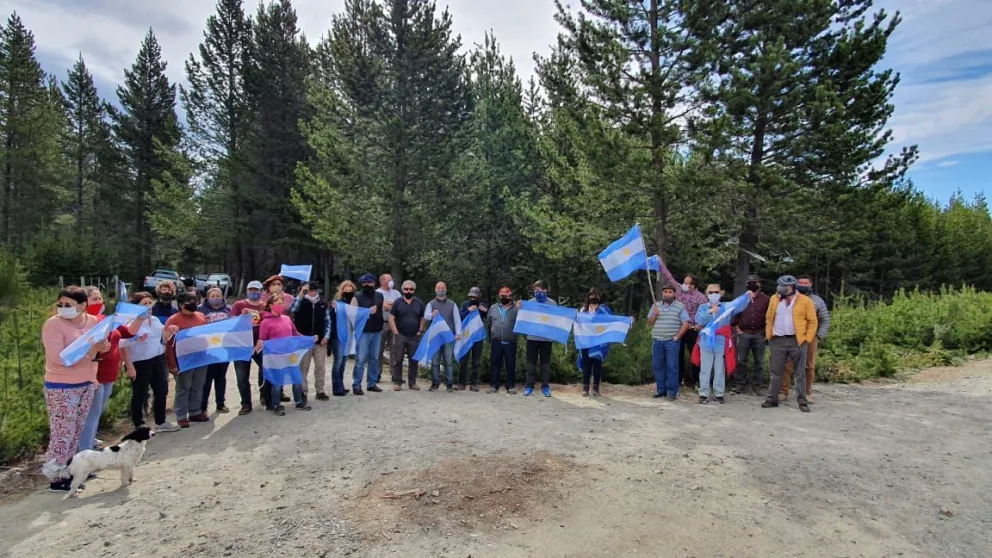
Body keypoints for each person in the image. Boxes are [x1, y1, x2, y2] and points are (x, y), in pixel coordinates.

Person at [40, 286, 110, 492]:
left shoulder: (92, 321)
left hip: (85, 383)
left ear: (82, 305)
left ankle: (71, 469)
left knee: (77, 429)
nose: (62, 308)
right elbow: (59, 357)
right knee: (63, 431)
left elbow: (96, 351)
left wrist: (98, 357)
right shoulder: (53, 325)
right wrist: (92, 348)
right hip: (61, 385)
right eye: (60, 304)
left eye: (68, 305)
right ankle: (55, 476)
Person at [78, 287, 140, 452]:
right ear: (84, 303)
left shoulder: (106, 319)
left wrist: (140, 317)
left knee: (97, 412)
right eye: (94, 299)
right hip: (95, 374)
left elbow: (128, 332)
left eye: (100, 299)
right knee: (91, 414)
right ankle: (84, 450)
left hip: (110, 373)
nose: (99, 302)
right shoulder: (85, 323)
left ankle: (90, 441)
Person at [120, 292, 179, 432]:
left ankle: (160, 422)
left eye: (149, 303)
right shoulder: (129, 323)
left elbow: (162, 338)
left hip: (157, 359)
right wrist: (129, 366)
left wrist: (170, 331)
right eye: (144, 304)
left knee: (161, 390)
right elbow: (123, 346)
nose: (148, 307)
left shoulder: (155, 320)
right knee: (140, 393)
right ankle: (139, 424)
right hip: (140, 362)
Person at [762, 275, 818, 413]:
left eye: (783, 286)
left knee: (800, 372)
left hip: (797, 340)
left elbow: (812, 321)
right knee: (776, 371)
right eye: (779, 285)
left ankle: (802, 401)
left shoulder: (805, 301)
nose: (779, 288)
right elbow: (769, 318)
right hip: (778, 339)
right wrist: (769, 335)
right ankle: (772, 398)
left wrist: (807, 338)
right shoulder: (774, 299)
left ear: (791, 287)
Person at [255, 296, 314, 415]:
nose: (281, 306)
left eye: (282, 303)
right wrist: (259, 345)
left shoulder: (287, 318)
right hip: (276, 357)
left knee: (296, 379)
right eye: (278, 303)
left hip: (290, 355)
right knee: (277, 382)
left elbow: (295, 333)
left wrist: (308, 339)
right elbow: (263, 339)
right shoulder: (265, 322)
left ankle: (299, 402)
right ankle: (276, 404)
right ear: (271, 305)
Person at [695, 284, 749, 404]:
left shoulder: (726, 306)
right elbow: (699, 320)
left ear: (721, 293)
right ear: (706, 294)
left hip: (721, 341)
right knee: (705, 369)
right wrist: (710, 311)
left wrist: (748, 295)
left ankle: (719, 393)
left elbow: (740, 305)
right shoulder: (703, 307)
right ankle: (704, 393)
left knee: (719, 369)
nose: (713, 294)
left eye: (716, 292)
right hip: (706, 341)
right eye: (710, 292)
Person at [163, 291, 210, 428]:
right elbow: (169, 345)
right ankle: (181, 415)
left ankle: (195, 411)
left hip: (201, 358)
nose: (193, 304)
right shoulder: (173, 320)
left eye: (194, 300)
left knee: (198, 386)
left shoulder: (201, 316)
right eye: (189, 301)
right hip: (183, 360)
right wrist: (172, 364)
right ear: (181, 304)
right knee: (183, 388)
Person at [782, 275, 831, 403]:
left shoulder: (818, 301)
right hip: (791, 336)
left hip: (810, 338)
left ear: (810, 285)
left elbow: (825, 320)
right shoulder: (790, 298)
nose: (803, 285)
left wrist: (818, 335)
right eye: (800, 283)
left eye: (805, 283)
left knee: (809, 366)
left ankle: (807, 392)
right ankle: (783, 391)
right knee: (787, 364)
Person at [658, 262, 707, 389]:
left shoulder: (701, 298)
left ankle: (697, 382)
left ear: (693, 285)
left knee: (695, 355)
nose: (685, 285)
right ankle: (678, 380)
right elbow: (669, 277)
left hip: (692, 330)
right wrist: (659, 263)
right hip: (678, 329)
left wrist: (700, 325)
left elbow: (706, 314)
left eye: (688, 283)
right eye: (684, 282)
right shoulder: (679, 291)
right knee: (677, 355)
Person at [647, 284, 690, 400]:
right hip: (657, 340)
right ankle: (661, 390)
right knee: (658, 366)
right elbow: (649, 322)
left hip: (672, 341)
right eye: (665, 292)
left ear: (674, 293)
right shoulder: (656, 306)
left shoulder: (680, 307)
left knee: (672, 366)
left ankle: (672, 392)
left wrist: (677, 337)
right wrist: (655, 314)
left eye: (670, 292)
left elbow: (686, 323)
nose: (667, 294)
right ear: (663, 293)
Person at [231, 280, 266, 414]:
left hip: (260, 344)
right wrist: (241, 317)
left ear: (261, 291)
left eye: (256, 290)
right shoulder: (239, 305)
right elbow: (230, 325)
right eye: (251, 290)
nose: (254, 292)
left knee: (266, 370)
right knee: (242, 377)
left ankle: (264, 395)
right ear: (247, 291)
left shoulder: (265, 306)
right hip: (241, 345)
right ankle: (246, 403)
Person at [291, 281, 330, 402]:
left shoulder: (323, 303)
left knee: (320, 366)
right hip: (304, 340)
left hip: (319, 340)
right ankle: (303, 391)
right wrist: (301, 294)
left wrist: (327, 336)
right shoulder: (300, 301)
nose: (312, 292)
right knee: (303, 367)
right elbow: (293, 308)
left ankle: (320, 390)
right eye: (310, 290)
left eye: (314, 290)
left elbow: (328, 321)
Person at [732, 275, 770, 396]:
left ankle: (757, 386)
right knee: (741, 361)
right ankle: (740, 384)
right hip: (744, 333)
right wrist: (738, 330)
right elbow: (735, 315)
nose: (753, 285)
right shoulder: (742, 299)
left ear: (759, 284)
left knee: (759, 361)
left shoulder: (766, 299)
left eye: (755, 282)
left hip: (759, 334)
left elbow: (770, 316)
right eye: (750, 282)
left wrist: (766, 332)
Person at [198, 287, 233, 414]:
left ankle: (220, 403)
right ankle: (203, 406)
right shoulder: (201, 309)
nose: (215, 298)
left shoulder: (229, 309)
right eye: (212, 296)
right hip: (207, 350)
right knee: (206, 379)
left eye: (218, 295)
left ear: (222, 297)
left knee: (221, 377)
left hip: (223, 349)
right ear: (208, 298)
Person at [424, 281, 462, 392]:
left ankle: (449, 384)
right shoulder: (431, 304)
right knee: (435, 361)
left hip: (449, 337)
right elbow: (426, 317)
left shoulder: (452, 304)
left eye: (443, 287)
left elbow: (457, 320)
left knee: (448, 361)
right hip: (436, 337)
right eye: (438, 287)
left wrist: (458, 333)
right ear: (435, 290)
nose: (441, 289)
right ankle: (435, 383)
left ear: (446, 289)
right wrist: (432, 315)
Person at [350, 273, 384, 395]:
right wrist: (367, 312)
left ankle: (372, 383)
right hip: (363, 332)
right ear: (361, 284)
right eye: (365, 283)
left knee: (374, 359)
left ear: (374, 283)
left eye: (369, 283)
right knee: (360, 359)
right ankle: (357, 384)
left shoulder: (380, 296)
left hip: (377, 331)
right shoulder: (357, 297)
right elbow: (352, 314)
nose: (367, 285)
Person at [388, 280, 424, 391]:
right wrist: (395, 333)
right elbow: (391, 318)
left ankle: (412, 383)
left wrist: (420, 330)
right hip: (400, 335)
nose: (409, 291)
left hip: (414, 336)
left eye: (411, 289)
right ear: (403, 290)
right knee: (398, 359)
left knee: (414, 360)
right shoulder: (397, 303)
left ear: (414, 290)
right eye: (406, 289)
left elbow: (422, 318)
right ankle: (397, 382)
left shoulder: (419, 303)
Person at [523, 280, 557, 398]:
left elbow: (556, 319)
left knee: (545, 365)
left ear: (546, 290)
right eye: (536, 290)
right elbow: (524, 319)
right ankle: (529, 386)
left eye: (541, 290)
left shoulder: (552, 303)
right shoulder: (530, 303)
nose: (538, 292)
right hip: (532, 338)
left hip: (546, 339)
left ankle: (545, 386)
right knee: (531, 364)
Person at [577, 288, 612, 397]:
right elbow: (578, 323)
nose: (594, 297)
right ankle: (585, 389)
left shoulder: (604, 310)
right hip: (586, 341)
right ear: (588, 297)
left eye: (596, 295)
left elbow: (613, 321)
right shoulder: (583, 310)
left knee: (597, 366)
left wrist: (627, 321)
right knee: (586, 366)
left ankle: (596, 389)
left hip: (599, 343)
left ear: (600, 297)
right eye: (591, 295)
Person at [487, 287, 518, 394]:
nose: (503, 298)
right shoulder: (493, 308)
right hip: (496, 340)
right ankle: (493, 385)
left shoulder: (516, 309)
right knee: (495, 364)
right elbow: (489, 322)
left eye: (505, 296)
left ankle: (510, 386)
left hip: (510, 341)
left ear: (510, 296)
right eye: (501, 296)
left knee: (511, 364)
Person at [457, 286, 489, 391]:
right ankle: (461, 383)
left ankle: (473, 383)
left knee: (476, 361)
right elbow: (459, 316)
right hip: (466, 336)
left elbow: (489, 316)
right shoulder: (465, 304)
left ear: (479, 296)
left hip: (477, 337)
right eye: (471, 296)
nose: (472, 299)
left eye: (474, 297)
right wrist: (468, 310)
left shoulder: (482, 305)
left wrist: (482, 309)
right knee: (463, 360)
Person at [330, 281, 356, 396]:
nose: (348, 293)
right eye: (346, 291)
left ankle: (340, 384)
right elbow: (330, 319)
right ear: (342, 291)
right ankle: (336, 387)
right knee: (338, 361)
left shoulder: (354, 304)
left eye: (350, 291)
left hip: (348, 336)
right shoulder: (337, 304)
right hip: (337, 336)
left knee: (344, 362)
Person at [377, 273, 401, 367]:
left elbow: (400, 305)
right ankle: (377, 373)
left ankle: (394, 374)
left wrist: (391, 306)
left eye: (391, 279)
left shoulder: (396, 293)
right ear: (382, 281)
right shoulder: (377, 293)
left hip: (394, 324)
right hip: (381, 324)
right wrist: (383, 305)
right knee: (379, 349)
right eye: (389, 279)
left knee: (394, 349)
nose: (391, 281)